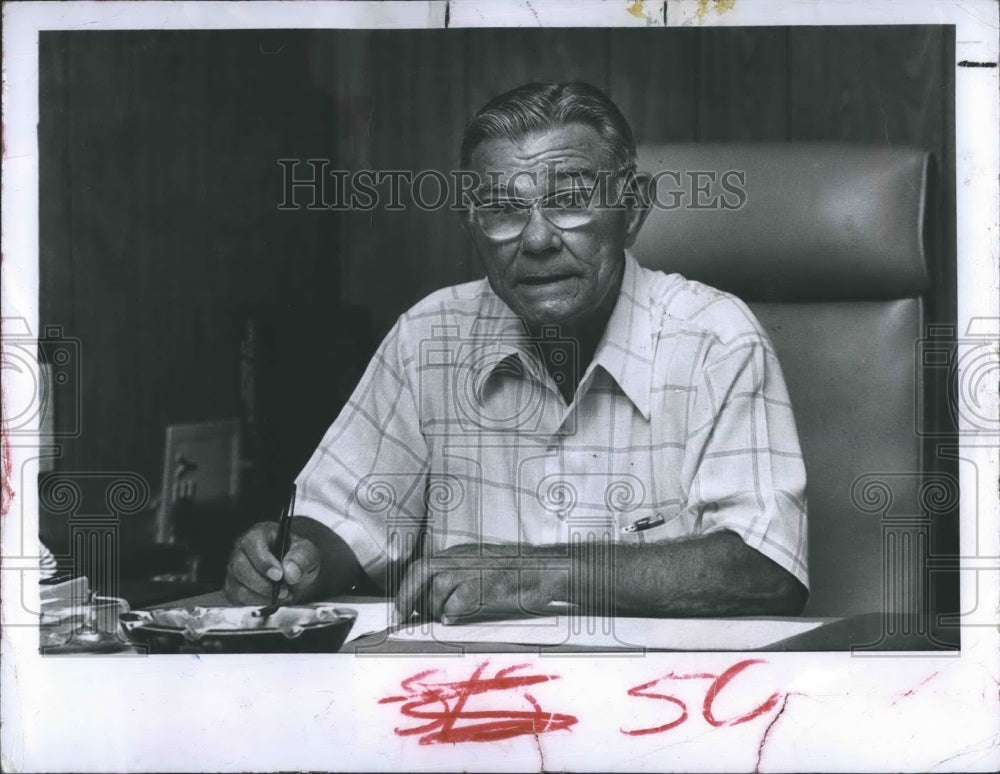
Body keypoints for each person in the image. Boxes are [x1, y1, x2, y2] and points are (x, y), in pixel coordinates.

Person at [225, 82, 809, 621]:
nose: (536, 239)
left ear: (632, 209)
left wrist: (537, 573)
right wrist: (296, 558)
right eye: (504, 208)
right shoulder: (430, 336)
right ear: (470, 221)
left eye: (571, 199)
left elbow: (766, 565)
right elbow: (342, 517)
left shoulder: (714, 339)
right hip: (464, 704)